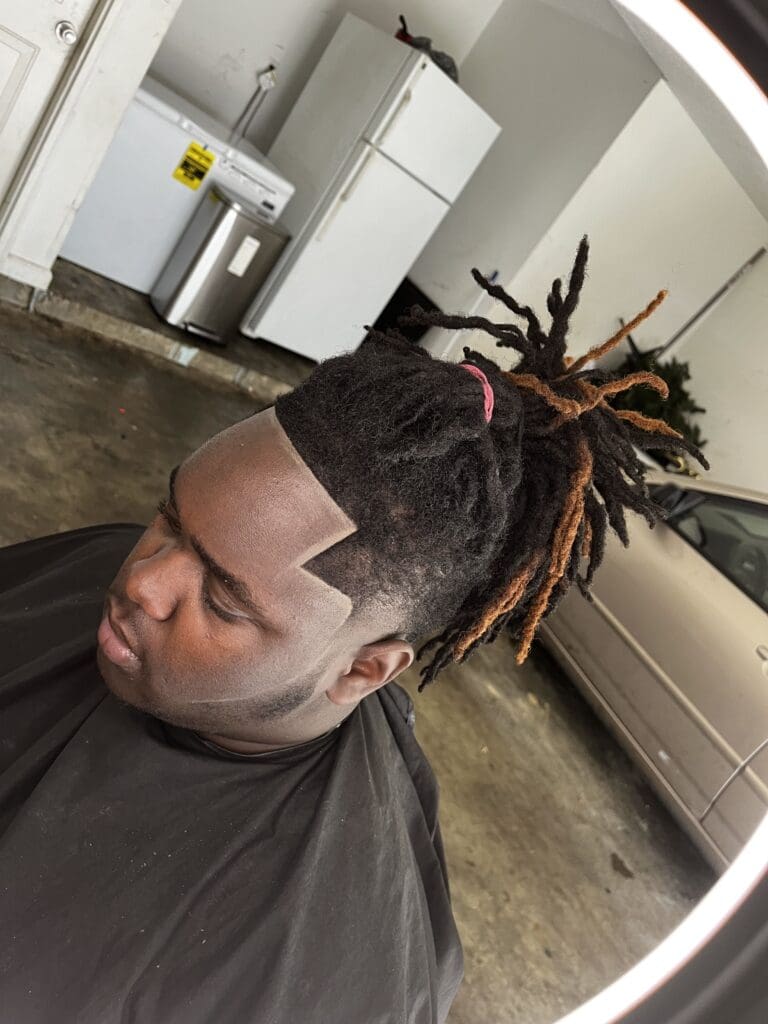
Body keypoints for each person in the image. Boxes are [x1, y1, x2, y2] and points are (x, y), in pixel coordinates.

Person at [0, 238, 704, 1023]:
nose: (140, 581)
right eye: (170, 516)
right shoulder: (97, 562)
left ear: (362, 672)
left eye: (224, 601)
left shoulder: (318, 976)